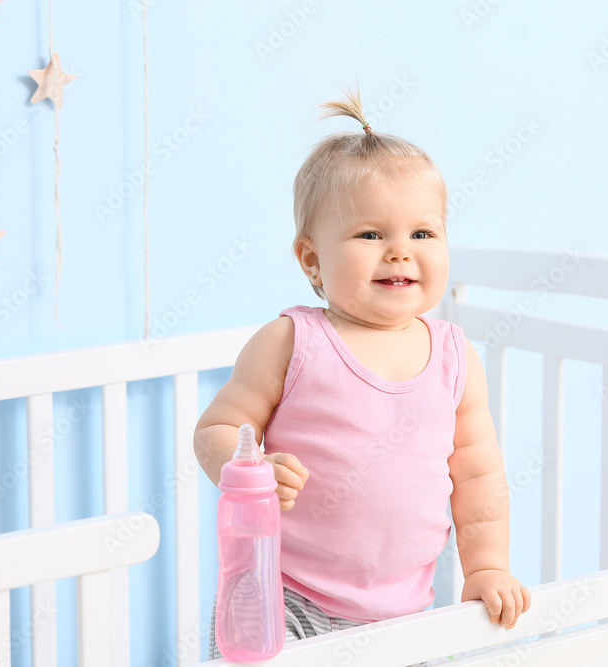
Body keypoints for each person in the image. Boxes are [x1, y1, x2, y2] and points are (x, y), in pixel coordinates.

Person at [194, 86, 530, 662]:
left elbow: (478, 479)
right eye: (371, 234)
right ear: (311, 259)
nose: (400, 252)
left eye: (422, 233)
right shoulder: (291, 342)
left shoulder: (454, 356)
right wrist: (247, 467)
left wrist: (488, 567)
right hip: (285, 598)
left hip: (406, 613)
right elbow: (216, 430)